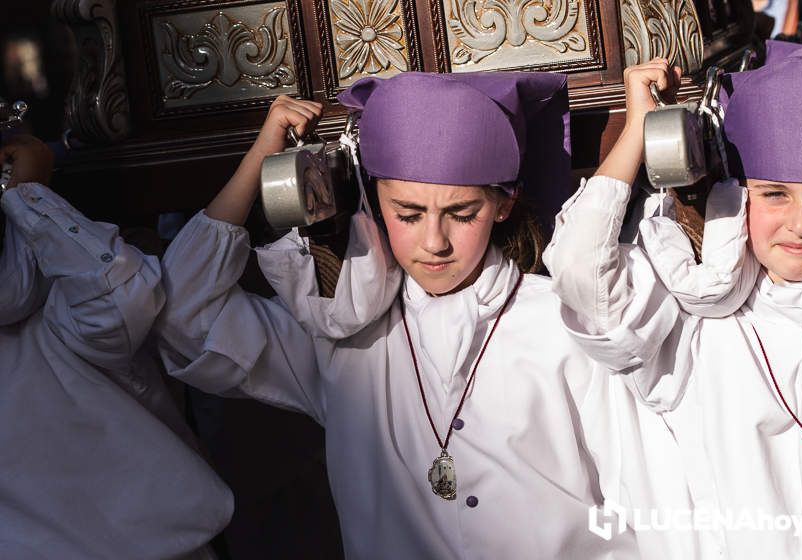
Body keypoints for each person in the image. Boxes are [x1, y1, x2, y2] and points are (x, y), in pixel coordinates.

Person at [155, 71, 641, 559]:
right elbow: (185, 313)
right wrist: (264, 159)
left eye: (461, 213)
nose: (434, 242)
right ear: (372, 203)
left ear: (502, 204)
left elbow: (636, 492)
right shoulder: (340, 342)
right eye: (408, 215)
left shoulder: (566, 323)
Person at [546, 42, 802, 558]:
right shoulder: (695, 322)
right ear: (740, 196)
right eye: (775, 194)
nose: (801, 223)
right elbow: (578, 269)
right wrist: (639, 128)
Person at [0, 135, 233, 559]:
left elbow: (119, 298)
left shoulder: (55, 308)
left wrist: (26, 199)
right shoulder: (56, 307)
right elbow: (122, 296)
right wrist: (29, 197)